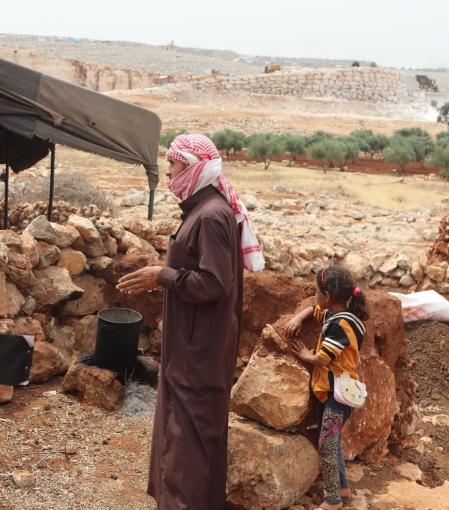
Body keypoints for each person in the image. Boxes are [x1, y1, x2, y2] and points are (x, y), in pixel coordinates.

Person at [117, 134, 264, 509]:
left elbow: (215, 283)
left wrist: (161, 276)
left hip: (199, 351)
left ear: (196, 167)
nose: (168, 172)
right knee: (184, 438)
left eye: (175, 164)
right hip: (192, 346)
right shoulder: (203, 211)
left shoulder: (212, 215)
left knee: (190, 444)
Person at [286, 266, 368, 510]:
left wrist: (304, 355)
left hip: (337, 395)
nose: (315, 296)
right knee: (332, 440)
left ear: (328, 295)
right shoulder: (342, 316)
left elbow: (324, 358)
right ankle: (342, 485)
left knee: (327, 444)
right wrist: (300, 316)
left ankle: (333, 499)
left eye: (317, 292)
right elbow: (316, 310)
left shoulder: (340, 325)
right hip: (334, 392)